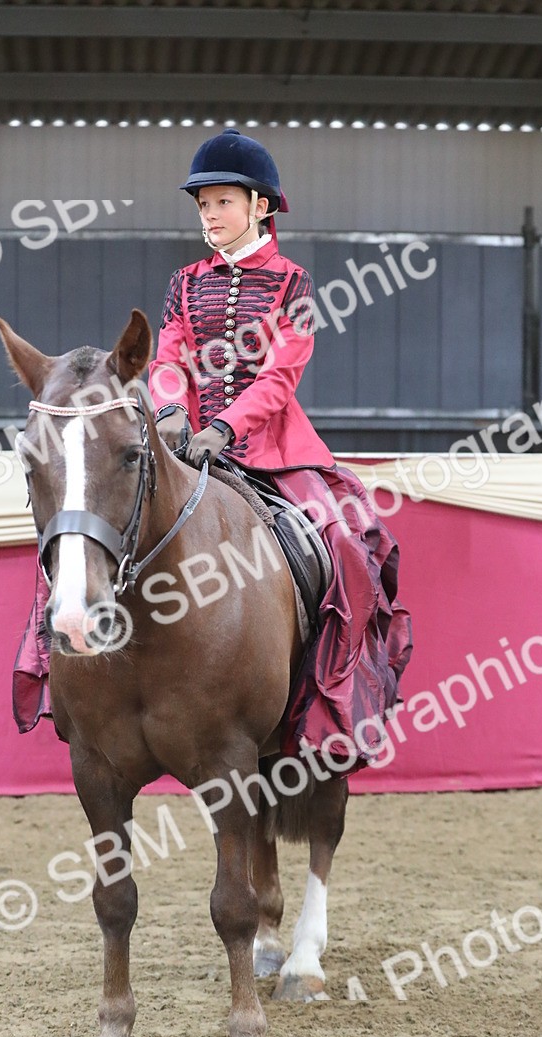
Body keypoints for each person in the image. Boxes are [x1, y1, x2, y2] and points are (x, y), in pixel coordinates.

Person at [147, 130, 412, 770]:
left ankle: (326, 707)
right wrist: (172, 412)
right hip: (183, 443)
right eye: (202, 205)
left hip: (272, 450)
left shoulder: (293, 283)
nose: (209, 215)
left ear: (260, 205)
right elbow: (167, 357)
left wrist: (226, 429)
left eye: (221, 203)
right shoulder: (185, 282)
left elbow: (278, 377)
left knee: (349, 547)